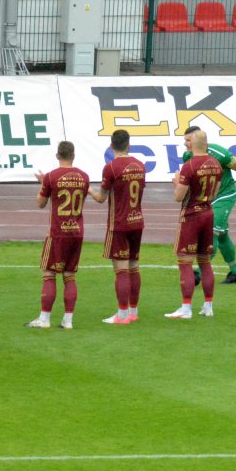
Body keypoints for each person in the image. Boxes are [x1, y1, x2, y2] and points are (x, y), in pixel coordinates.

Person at [26, 141, 90, 330]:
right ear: (73, 156)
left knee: (49, 274)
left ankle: (44, 319)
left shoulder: (51, 176)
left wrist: (43, 184)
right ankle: (68, 320)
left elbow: (40, 203)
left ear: (57, 156)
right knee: (70, 275)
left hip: (57, 232)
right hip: (77, 231)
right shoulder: (84, 177)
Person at [89, 129, 145, 325]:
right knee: (134, 267)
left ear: (111, 146)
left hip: (119, 224)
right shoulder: (140, 166)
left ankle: (122, 315)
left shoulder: (111, 168)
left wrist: (88, 189)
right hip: (137, 220)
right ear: (129, 145)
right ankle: (133, 311)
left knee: (121, 270)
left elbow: (101, 198)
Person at [166, 130, 222, 319]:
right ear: (206, 144)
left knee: (185, 262)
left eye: (187, 141)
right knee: (205, 261)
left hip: (191, 216)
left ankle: (186, 308)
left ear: (193, 144)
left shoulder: (189, 166)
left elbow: (178, 197)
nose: (185, 143)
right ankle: (208, 305)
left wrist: (176, 183)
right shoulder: (216, 164)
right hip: (208, 213)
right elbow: (214, 193)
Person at [182, 126, 236, 284]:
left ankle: (198, 273)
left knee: (212, 232)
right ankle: (235, 272)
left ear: (197, 140)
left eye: (188, 140)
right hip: (207, 199)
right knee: (222, 236)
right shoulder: (187, 156)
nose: (185, 143)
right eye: (185, 140)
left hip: (224, 196)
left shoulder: (219, 153)